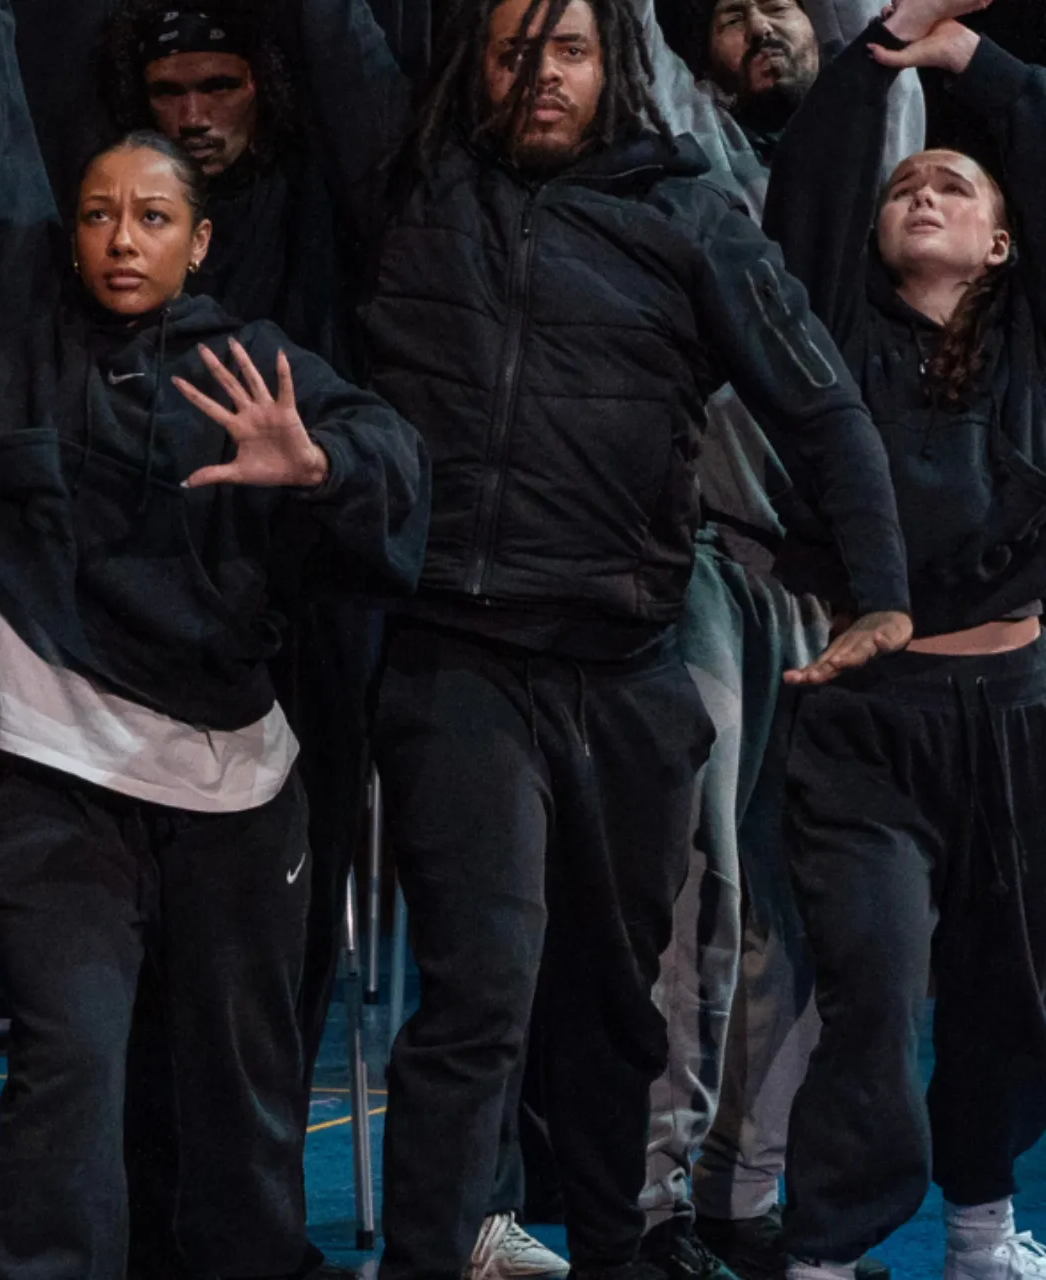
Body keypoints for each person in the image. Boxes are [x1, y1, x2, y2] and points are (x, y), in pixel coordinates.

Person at [289, 0, 917, 1274]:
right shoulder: (411, 180)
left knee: (616, 1001)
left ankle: (618, 1246)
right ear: (478, 61)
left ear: (613, 63)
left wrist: (883, 587)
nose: (539, 75)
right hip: (456, 656)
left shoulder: (689, 213)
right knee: (479, 986)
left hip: (629, 663)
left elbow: (821, 400)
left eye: (566, 50)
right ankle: (429, 1256)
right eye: (516, 49)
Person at [0, 3, 427, 1277]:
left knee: (242, 1074)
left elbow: (393, 464)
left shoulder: (255, 363)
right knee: (73, 1063)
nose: (122, 237)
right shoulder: (17, 341)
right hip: (58, 783)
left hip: (231, 780)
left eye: (153, 216)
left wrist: (315, 468)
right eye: (99, 213)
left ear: (200, 241)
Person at [598, 0, 919, 1271]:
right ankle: (656, 1189)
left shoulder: (888, 191)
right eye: (729, 17)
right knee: (704, 884)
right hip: (710, 559)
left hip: (844, 585)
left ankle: (743, 1182)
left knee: (807, 910)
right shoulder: (696, 173)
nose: (757, 31)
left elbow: (879, 64)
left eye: (780, 9)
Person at [760, 0, 1046, 1274]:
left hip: (1020, 716)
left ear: (999, 240)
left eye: (955, 184)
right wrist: (877, 48)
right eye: (907, 187)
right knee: (876, 991)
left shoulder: (1036, 337)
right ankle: (827, 1247)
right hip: (869, 718)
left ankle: (982, 1223)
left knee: (1012, 993)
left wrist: (970, 59)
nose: (923, 191)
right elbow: (814, 187)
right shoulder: (835, 330)